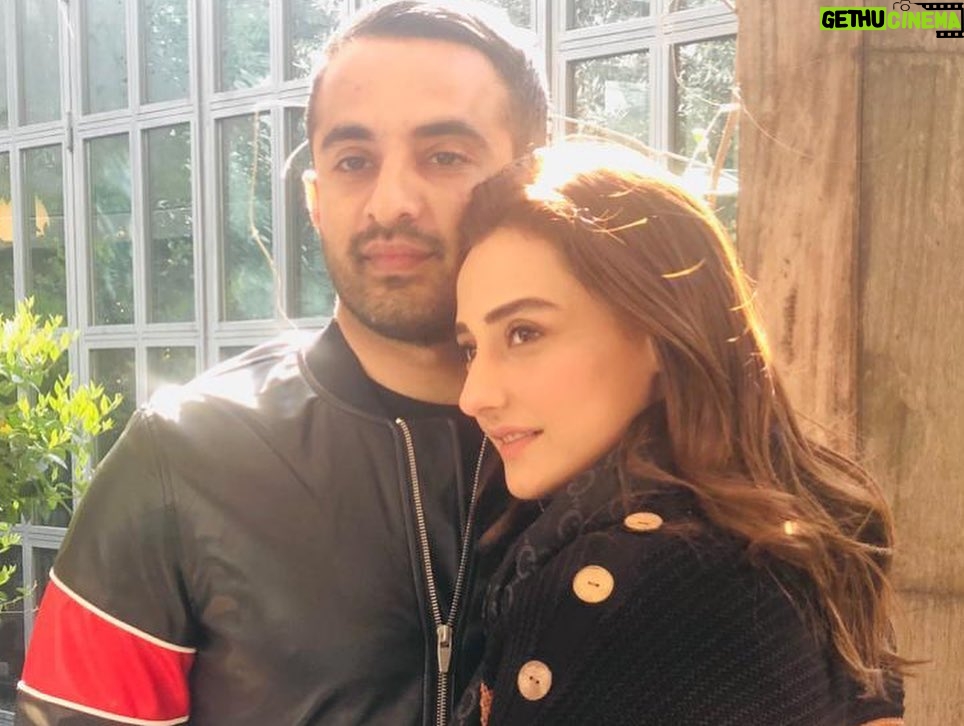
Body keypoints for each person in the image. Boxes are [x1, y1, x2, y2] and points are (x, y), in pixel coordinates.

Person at [15, 2, 546, 724]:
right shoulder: (181, 458)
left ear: (532, 178)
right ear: (315, 199)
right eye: (353, 161)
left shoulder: (619, 447)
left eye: (445, 155)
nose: (392, 202)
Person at [450, 142, 907, 725]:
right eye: (470, 348)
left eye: (524, 333)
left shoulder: (625, 589)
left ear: (661, 331)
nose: (474, 396)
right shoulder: (804, 540)